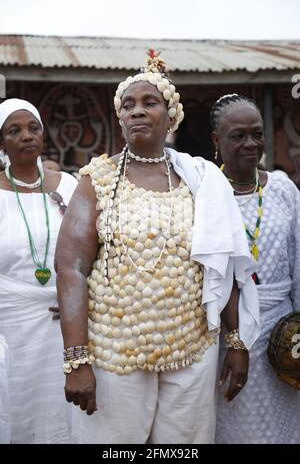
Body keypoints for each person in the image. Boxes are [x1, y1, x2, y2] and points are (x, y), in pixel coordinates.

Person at [55, 52, 259, 444]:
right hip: (114, 351)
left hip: (192, 349)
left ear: (171, 116)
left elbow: (223, 262)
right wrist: (76, 359)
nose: (137, 111)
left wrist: (236, 340)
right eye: (128, 104)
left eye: (150, 103)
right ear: (119, 118)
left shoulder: (200, 180)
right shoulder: (95, 179)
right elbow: (71, 268)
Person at [210, 93, 300, 444]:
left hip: (284, 333)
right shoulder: (205, 191)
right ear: (217, 141)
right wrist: (233, 339)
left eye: (257, 134)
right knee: (237, 425)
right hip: (228, 335)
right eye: (238, 135)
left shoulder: (281, 188)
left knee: (286, 425)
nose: (251, 143)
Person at [0, 98, 78, 443]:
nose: (26, 136)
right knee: (17, 405)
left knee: (64, 413)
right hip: (10, 322)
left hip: (66, 322)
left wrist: (78, 300)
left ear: (44, 135)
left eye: (33, 128)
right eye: (14, 131)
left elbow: (93, 250)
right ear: (2, 143)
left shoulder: (69, 187)